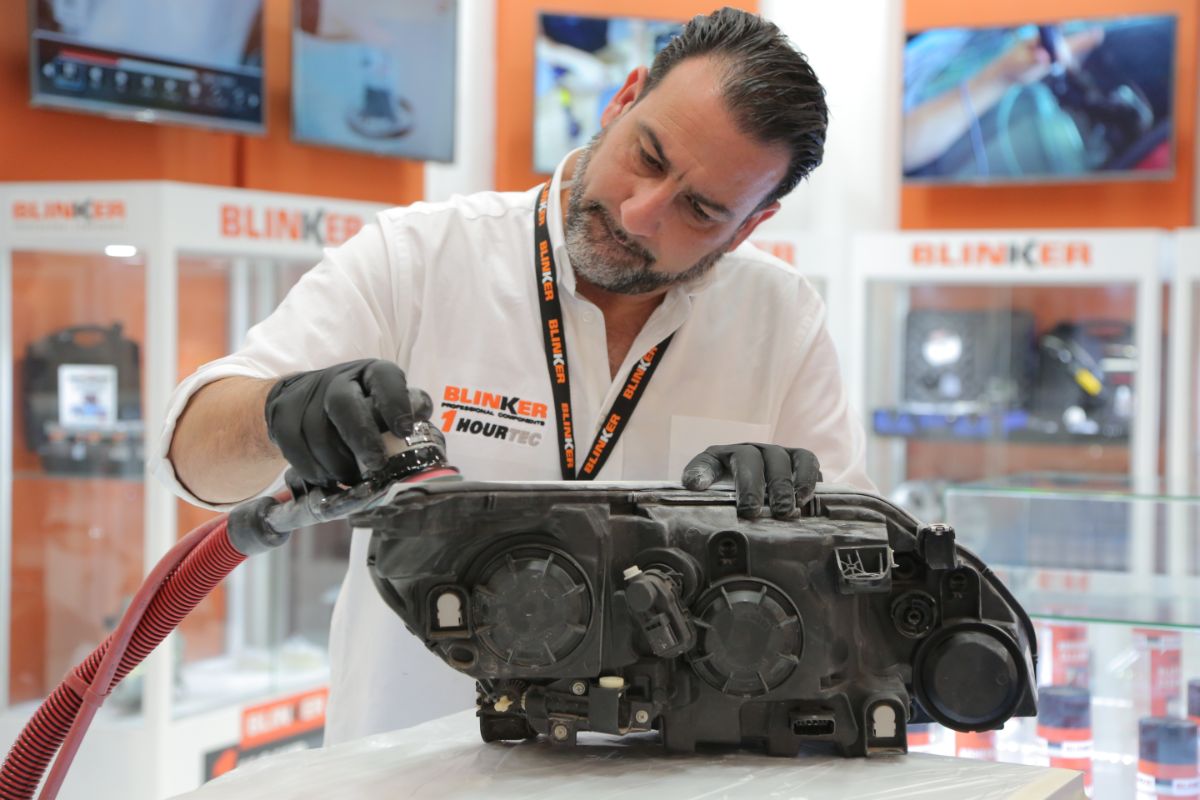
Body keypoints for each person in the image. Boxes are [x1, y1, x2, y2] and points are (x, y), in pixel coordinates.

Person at [157, 7, 873, 744]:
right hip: (415, 777)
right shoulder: (420, 257)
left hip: (674, 777)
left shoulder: (779, 319)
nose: (641, 213)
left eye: (700, 209)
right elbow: (192, 460)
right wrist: (278, 411)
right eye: (648, 156)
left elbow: (860, 589)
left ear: (751, 223)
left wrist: (789, 524)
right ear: (622, 99)